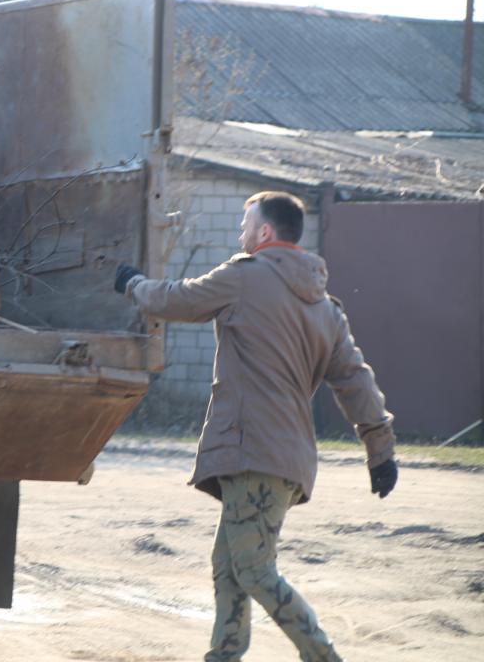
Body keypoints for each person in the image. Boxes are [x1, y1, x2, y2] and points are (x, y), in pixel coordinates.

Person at [114, 191, 397, 662]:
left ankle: (324, 657)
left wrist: (134, 284)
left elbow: (179, 300)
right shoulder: (326, 307)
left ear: (265, 232)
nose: (240, 234)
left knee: (253, 568)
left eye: (246, 225)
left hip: (253, 451)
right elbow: (355, 379)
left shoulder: (245, 277)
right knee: (229, 565)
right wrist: (381, 451)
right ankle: (224, 656)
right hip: (287, 457)